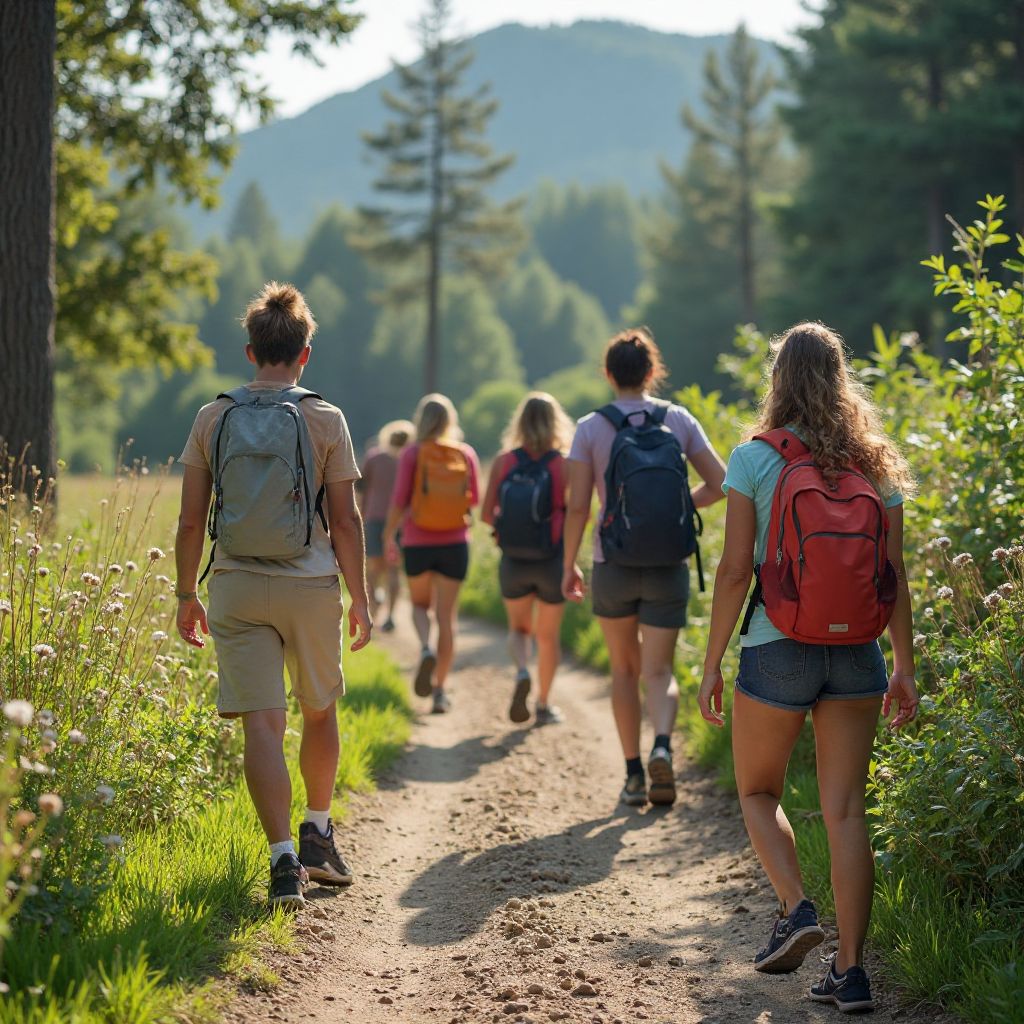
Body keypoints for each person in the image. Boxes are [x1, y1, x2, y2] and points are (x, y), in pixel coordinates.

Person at [697, 322, 919, 1011]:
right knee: (848, 812)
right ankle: (851, 974)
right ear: (842, 378)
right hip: (859, 652)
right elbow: (894, 573)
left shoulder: (755, 458)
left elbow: (736, 571)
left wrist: (711, 662)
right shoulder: (875, 463)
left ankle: (796, 909)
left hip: (777, 644)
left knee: (759, 793)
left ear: (778, 379)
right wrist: (904, 665)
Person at [174, 281, 371, 909]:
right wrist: (361, 599)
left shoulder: (214, 415)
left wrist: (185, 594)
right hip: (309, 586)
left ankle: (282, 861)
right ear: (304, 353)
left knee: (261, 724)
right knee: (319, 710)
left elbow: (188, 522)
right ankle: (318, 831)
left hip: (234, 584)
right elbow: (345, 521)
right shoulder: (325, 416)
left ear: (250, 350)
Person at [563, 329, 726, 807]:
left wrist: (569, 563)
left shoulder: (590, 427)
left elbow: (577, 507)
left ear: (609, 375)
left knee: (623, 670)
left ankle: (634, 776)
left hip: (611, 562)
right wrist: (681, 508)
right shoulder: (677, 418)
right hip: (667, 562)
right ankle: (662, 746)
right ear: (653, 372)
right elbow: (720, 484)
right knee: (658, 671)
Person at [481, 392, 574, 725]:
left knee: (519, 629)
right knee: (547, 638)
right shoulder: (563, 463)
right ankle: (544, 705)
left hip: (514, 560)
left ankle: (522, 670)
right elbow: (576, 513)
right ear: (556, 422)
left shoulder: (505, 461)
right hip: (552, 560)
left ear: (519, 421)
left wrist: (506, 529)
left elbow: (486, 515)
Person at [384, 394, 480, 714]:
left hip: (418, 541)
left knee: (420, 606)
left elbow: (399, 499)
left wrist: (388, 535)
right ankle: (440, 691)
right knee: (447, 618)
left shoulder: (413, 453)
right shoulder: (465, 454)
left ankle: (425, 647)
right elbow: (474, 500)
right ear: (450, 420)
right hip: (455, 543)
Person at [359, 420, 414, 632]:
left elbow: (362, 488)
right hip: (401, 520)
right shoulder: (409, 459)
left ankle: (375, 600)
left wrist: (361, 515)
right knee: (394, 569)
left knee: (373, 567)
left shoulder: (374, 457)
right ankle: (391, 615)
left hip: (374, 518)